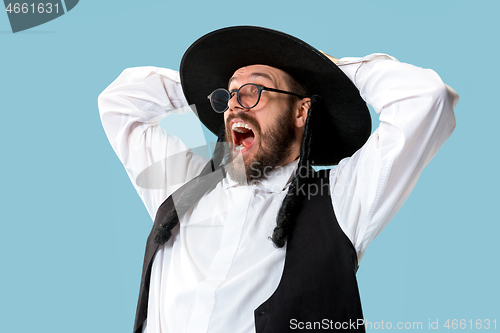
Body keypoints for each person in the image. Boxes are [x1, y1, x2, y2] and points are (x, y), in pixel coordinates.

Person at [98, 26, 458, 333]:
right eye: (230, 94)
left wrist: (331, 71)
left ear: (302, 110)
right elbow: (119, 103)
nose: (236, 105)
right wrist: (199, 85)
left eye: (255, 91)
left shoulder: (342, 200)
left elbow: (427, 99)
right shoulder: (182, 183)